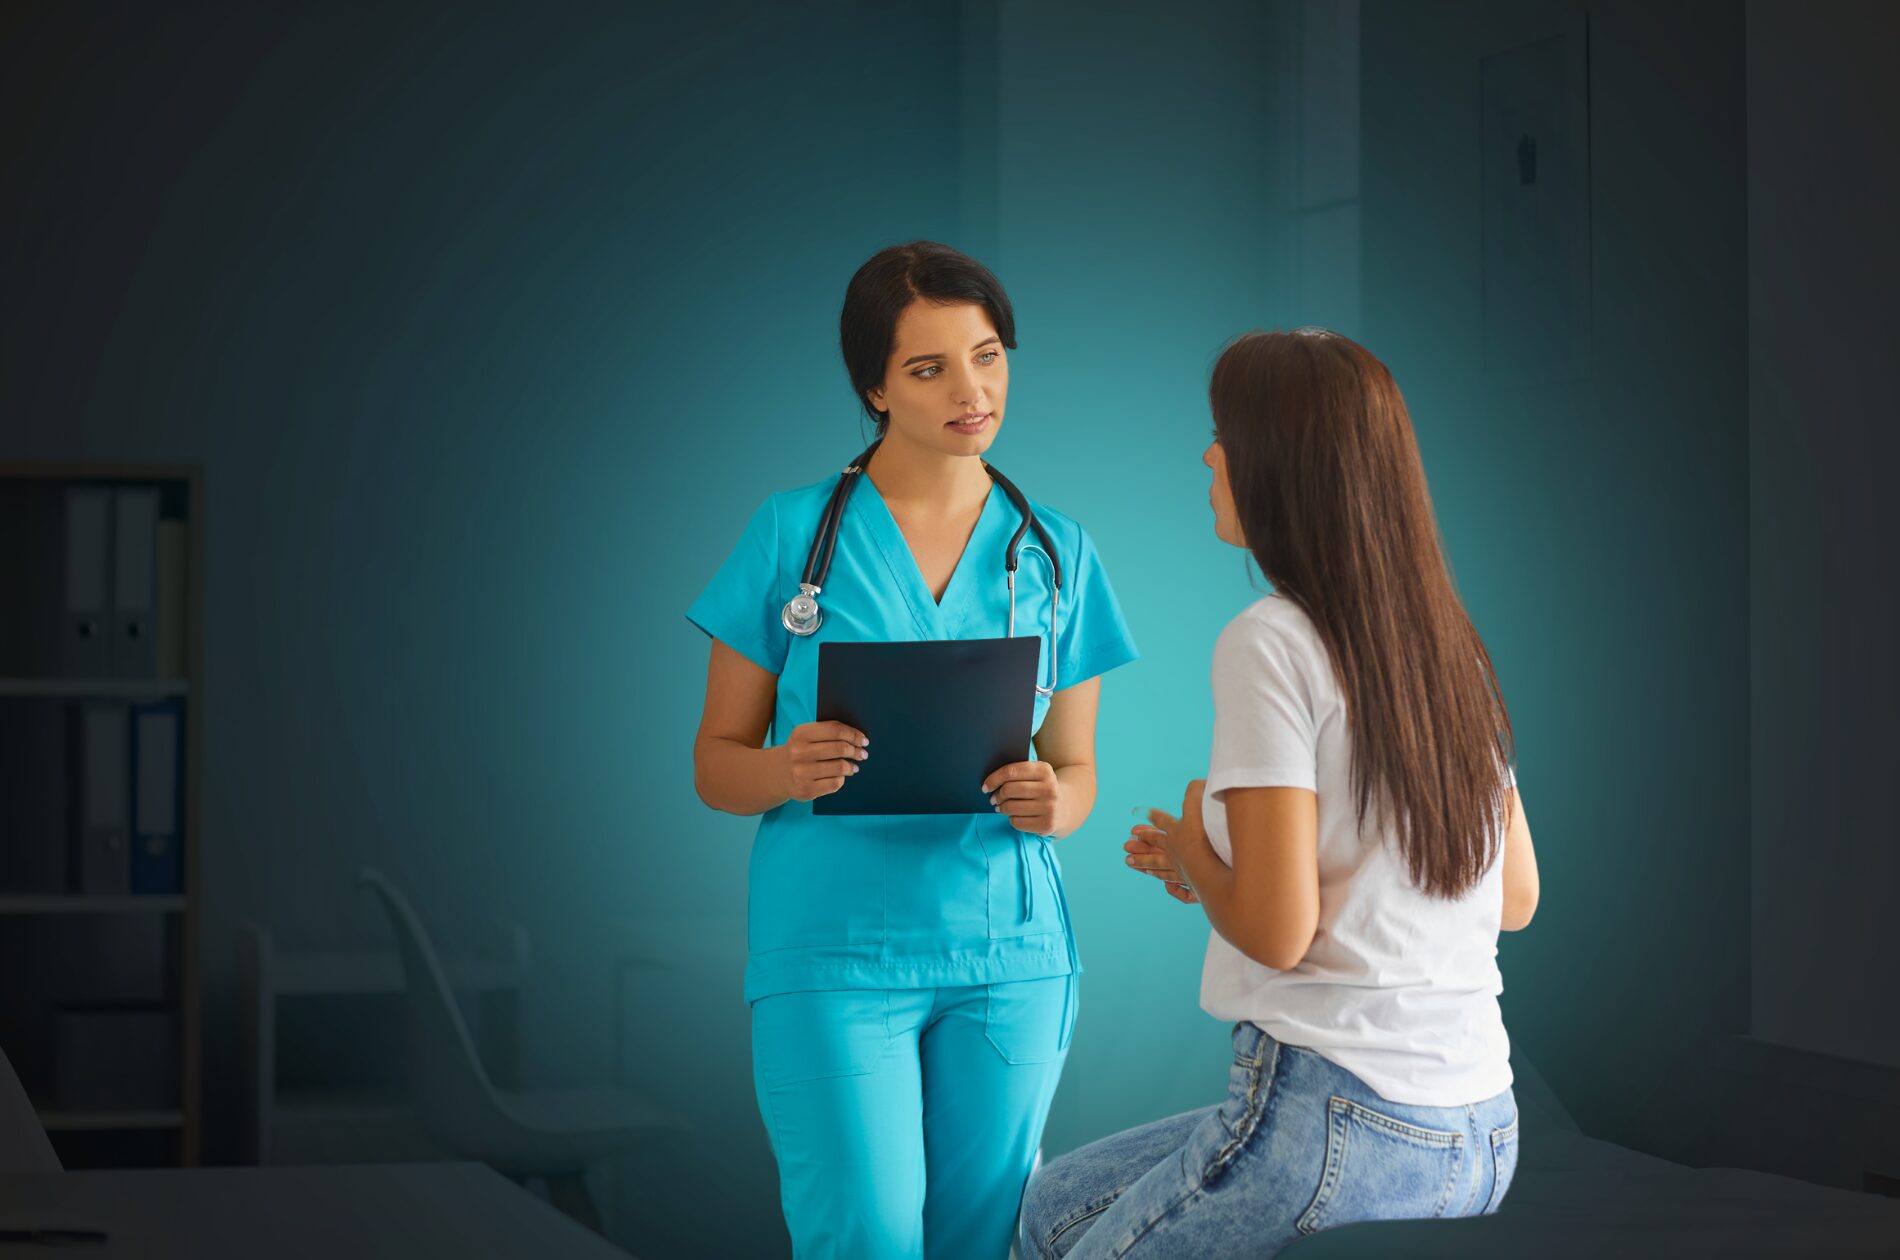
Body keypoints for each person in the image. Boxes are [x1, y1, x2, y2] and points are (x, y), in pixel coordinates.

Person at [1018, 327, 1540, 1259]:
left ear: (1283, 467)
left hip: (1336, 1113)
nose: (1209, 454)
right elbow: (1513, 897)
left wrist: (1195, 853)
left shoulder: (1268, 639)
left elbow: (1275, 931)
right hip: (1484, 1129)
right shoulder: (1449, 643)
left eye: (1225, 433)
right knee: (1051, 1207)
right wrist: (1216, 866)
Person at [687, 241, 1139, 1260]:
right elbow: (716, 762)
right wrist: (783, 768)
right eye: (929, 368)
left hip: (1009, 954)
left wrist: (1052, 803)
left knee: (985, 1243)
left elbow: (1080, 771)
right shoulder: (789, 533)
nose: (971, 391)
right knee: (866, 1237)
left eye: (987, 356)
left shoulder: (1056, 548)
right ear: (873, 386)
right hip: (835, 953)